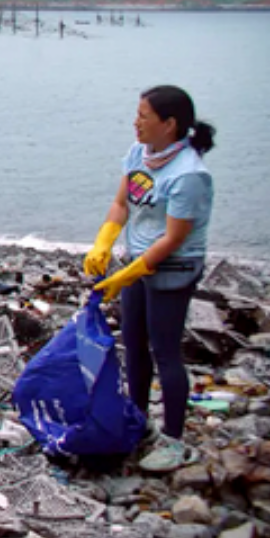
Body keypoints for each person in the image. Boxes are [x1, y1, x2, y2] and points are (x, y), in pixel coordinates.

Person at [84, 85, 215, 471]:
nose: (135, 122)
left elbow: (175, 238)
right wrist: (104, 243)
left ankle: (174, 440)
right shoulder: (138, 154)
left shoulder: (190, 175)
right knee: (134, 345)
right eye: (137, 113)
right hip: (136, 261)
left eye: (144, 116)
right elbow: (122, 202)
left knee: (165, 349)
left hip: (173, 268)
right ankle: (137, 422)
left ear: (169, 124)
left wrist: (127, 275)